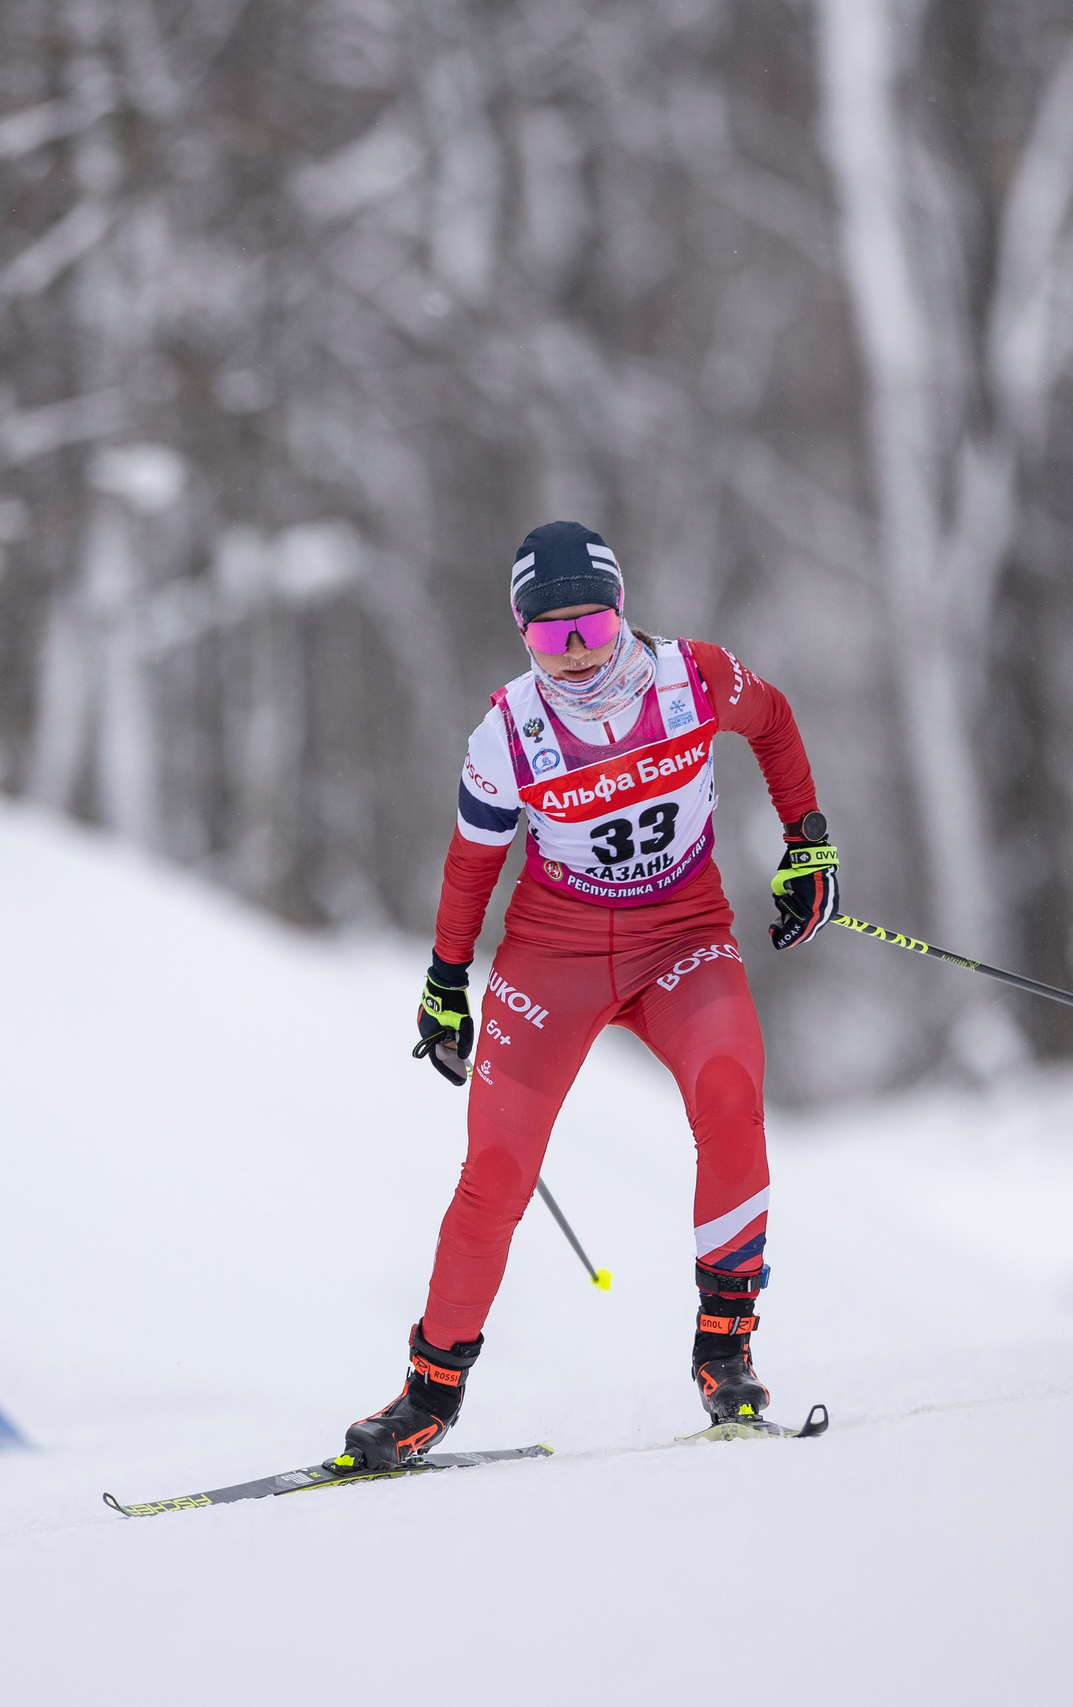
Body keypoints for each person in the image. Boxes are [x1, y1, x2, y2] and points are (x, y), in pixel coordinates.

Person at [343, 520, 840, 1468]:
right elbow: (470, 864)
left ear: (624, 613)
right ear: (521, 636)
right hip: (553, 960)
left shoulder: (693, 677)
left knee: (730, 1090)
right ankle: (427, 1394)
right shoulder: (506, 734)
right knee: (496, 1164)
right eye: (548, 635)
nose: (574, 655)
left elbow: (772, 720)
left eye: (592, 628)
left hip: (684, 940)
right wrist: (447, 980)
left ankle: (725, 1352)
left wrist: (807, 839)